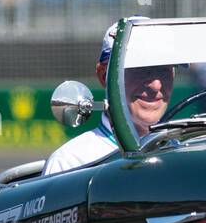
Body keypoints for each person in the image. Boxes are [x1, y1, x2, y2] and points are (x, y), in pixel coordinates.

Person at [44, 16, 174, 175]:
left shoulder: (185, 150)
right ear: (104, 75)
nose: (156, 86)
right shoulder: (71, 162)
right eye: (140, 69)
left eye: (163, 69)